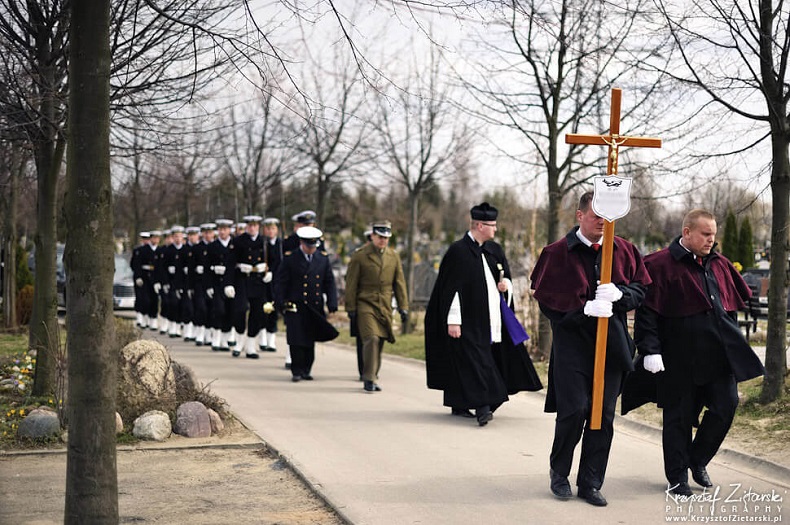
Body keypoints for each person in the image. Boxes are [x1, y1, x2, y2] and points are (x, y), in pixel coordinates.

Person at [624, 209, 765, 497]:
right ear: (687, 232)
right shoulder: (660, 264)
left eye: (713, 234)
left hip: (718, 357)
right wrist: (650, 350)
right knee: (678, 417)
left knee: (726, 405)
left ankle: (697, 459)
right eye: (705, 234)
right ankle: (677, 478)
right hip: (678, 357)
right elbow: (647, 314)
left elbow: (729, 307)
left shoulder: (720, 264)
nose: (711, 239)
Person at [530, 191, 651, 507]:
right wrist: (581, 310)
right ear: (580, 215)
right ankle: (560, 473)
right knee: (574, 410)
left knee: (603, 415)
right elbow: (547, 301)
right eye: (596, 215)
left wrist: (620, 295)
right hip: (573, 346)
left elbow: (640, 289)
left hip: (612, 344)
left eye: (607, 217)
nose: (602, 222)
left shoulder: (624, 250)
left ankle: (591, 482)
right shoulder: (557, 253)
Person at [425, 203, 542, 427]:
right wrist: (453, 321)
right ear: (480, 225)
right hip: (467, 321)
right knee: (477, 363)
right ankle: (483, 407)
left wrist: (506, 286)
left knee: (488, 361)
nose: (495, 229)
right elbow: (450, 290)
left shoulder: (494, 250)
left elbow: (506, 277)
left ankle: (460, 403)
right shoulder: (458, 251)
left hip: (492, 319)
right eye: (492, 225)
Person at [345, 221, 409, 392]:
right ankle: (368, 378)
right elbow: (351, 283)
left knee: (380, 340)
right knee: (371, 338)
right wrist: (350, 308)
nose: (382, 241)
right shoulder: (360, 256)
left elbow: (399, 283)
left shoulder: (393, 256)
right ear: (372, 236)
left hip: (384, 305)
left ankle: (373, 374)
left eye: (386, 238)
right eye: (380, 237)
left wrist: (403, 306)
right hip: (365, 303)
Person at [274, 226, 338, 382]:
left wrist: (332, 303)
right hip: (295, 304)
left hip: (314, 305)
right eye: (309, 246)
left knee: (309, 339)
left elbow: (329, 282)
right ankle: (296, 370)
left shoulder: (322, 259)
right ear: (302, 243)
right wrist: (280, 302)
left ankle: (306, 369)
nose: (311, 249)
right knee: (296, 339)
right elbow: (281, 282)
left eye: (314, 246)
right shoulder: (291, 259)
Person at [229, 215, 271, 359]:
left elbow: (274, 260)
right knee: (240, 310)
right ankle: (239, 340)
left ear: (258, 226)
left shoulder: (264, 241)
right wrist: (229, 283)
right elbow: (230, 263)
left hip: (258, 280)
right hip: (242, 279)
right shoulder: (238, 241)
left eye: (255, 225)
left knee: (258, 313)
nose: (252, 228)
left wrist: (269, 271)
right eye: (250, 225)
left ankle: (251, 345)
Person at [281, 209, 317, 369]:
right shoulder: (290, 242)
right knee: (294, 329)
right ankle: (291, 356)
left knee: (308, 329)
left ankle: (305, 364)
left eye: (310, 224)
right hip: (294, 292)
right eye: (304, 224)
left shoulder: (318, 241)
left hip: (311, 295)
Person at [207, 219, 236, 351]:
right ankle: (216, 338)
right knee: (219, 310)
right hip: (217, 283)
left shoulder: (234, 244)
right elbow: (207, 268)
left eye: (225, 229)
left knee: (230, 311)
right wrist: (208, 285)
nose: (223, 232)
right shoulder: (212, 246)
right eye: (220, 229)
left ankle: (225, 340)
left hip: (231, 283)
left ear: (229, 230)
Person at [261, 217, 283, 352]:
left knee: (274, 309)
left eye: (273, 228)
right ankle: (263, 337)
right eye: (268, 229)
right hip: (264, 281)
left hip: (277, 281)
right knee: (264, 308)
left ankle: (271, 339)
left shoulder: (281, 244)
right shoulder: (262, 243)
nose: (270, 231)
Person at [131, 231, 151, 328]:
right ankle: (139, 317)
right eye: (144, 239)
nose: (145, 241)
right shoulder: (137, 250)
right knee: (139, 297)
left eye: (147, 239)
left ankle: (146, 317)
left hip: (148, 277)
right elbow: (134, 264)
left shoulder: (150, 250)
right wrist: (138, 276)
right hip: (139, 276)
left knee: (147, 299)